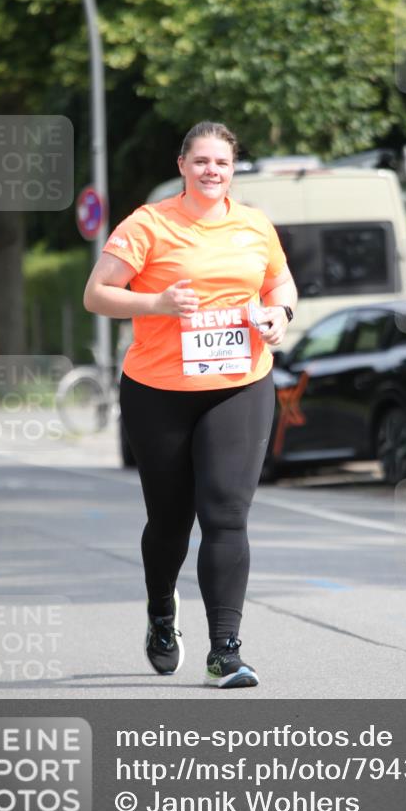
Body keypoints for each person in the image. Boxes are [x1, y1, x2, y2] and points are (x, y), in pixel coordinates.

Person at [83, 121, 297, 688]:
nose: (211, 171)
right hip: (159, 391)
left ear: (233, 170)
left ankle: (225, 651)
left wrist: (280, 315)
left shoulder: (254, 225)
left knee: (226, 513)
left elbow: (281, 285)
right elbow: (97, 293)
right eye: (201, 161)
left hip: (240, 382)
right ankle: (160, 612)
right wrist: (157, 301)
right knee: (170, 521)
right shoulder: (148, 224)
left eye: (221, 163)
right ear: (182, 165)